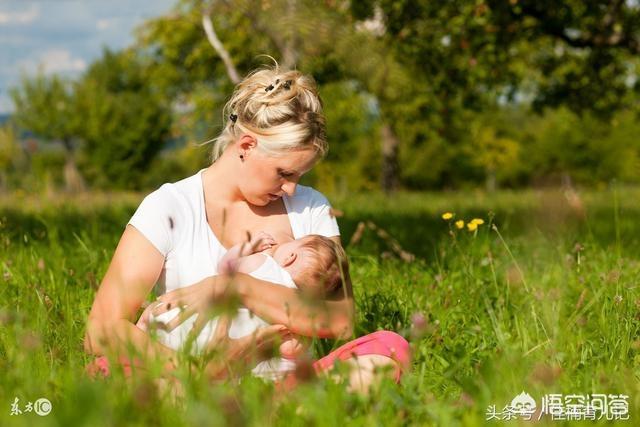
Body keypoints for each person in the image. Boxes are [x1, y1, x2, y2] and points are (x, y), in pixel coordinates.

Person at [84, 65, 410, 393]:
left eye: (299, 176)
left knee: (389, 348)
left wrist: (236, 288)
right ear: (247, 146)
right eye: (284, 173)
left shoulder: (310, 208)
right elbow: (102, 329)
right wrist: (196, 369)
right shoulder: (170, 206)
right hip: (188, 378)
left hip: (283, 382)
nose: (292, 189)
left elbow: (339, 320)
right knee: (107, 370)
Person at [137, 231, 347, 380]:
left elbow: (225, 268)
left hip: (193, 330)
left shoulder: (264, 263)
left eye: (295, 241)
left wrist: (247, 249)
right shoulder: (300, 311)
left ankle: (142, 330)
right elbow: (289, 349)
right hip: (233, 359)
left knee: (156, 315)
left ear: (291, 257)